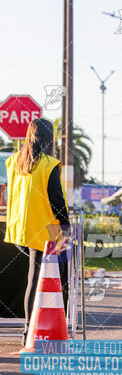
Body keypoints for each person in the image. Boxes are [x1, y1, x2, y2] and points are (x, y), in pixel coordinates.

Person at [4, 118, 70, 346]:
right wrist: (66, 226)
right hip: (45, 230)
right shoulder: (49, 164)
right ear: (48, 138)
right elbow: (57, 200)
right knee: (48, 279)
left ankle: (29, 329)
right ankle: (37, 331)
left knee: (34, 278)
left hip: (21, 229)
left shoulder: (14, 161)